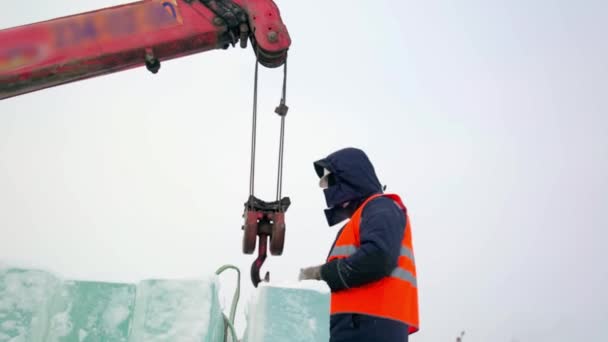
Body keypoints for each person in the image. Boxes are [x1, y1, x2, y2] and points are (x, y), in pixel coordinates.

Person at [299, 147, 419, 342]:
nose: (327, 189)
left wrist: (322, 274)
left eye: (330, 181)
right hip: (359, 326)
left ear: (349, 178)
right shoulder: (363, 217)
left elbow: (378, 257)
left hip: (369, 327)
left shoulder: (381, 207)